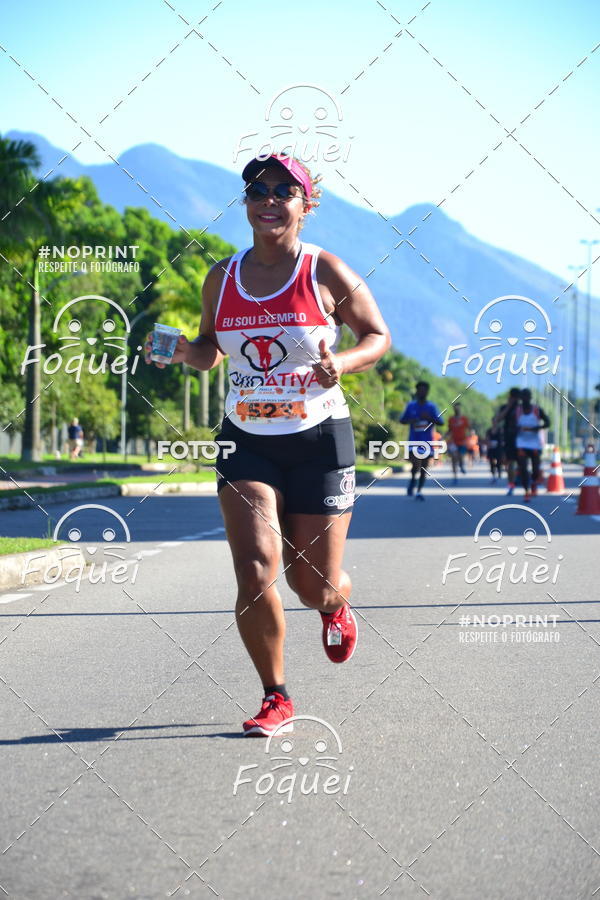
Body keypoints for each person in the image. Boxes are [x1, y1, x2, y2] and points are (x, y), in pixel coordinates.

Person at [145, 154, 390, 736]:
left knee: (314, 585)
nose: (269, 199)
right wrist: (183, 351)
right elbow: (211, 349)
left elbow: (377, 336)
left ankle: (336, 604)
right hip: (245, 442)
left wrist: (344, 362)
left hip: (319, 439)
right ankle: (275, 696)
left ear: (307, 204)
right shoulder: (220, 278)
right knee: (256, 571)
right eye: (258, 190)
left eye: (285, 191)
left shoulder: (324, 270)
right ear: (246, 203)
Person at [400, 381, 444, 500]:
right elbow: (402, 420)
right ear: (417, 391)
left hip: (427, 442)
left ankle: (419, 491)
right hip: (413, 441)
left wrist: (429, 418)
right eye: (420, 390)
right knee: (415, 463)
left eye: (424, 390)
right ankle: (413, 479)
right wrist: (411, 420)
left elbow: (441, 422)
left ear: (427, 392)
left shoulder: (431, 407)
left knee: (424, 468)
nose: (422, 392)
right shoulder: (411, 406)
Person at [515, 388, 550, 501]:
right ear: (521, 398)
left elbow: (548, 422)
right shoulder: (517, 410)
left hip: (534, 443)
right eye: (523, 397)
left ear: (530, 398)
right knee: (523, 468)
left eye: (527, 397)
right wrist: (517, 428)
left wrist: (538, 428)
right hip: (521, 443)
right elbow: (509, 425)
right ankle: (526, 492)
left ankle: (534, 482)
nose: (525, 399)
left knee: (535, 469)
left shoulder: (537, 410)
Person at [495, 387, 521, 495]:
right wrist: (509, 407)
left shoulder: (522, 408)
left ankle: (519, 478)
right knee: (510, 462)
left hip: (521, 438)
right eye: (513, 397)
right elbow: (498, 419)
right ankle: (511, 484)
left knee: (521, 461)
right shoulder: (504, 407)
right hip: (509, 438)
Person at [445, 402, 471, 484]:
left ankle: (461, 465)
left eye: (458, 407)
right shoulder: (451, 419)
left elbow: (469, 429)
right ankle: (455, 476)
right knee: (454, 458)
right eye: (455, 407)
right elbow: (449, 430)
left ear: (460, 408)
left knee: (460, 456)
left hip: (462, 441)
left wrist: (469, 438)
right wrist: (443, 437)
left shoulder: (464, 419)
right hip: (453, 442)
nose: (457, 409)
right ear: (454, 409)